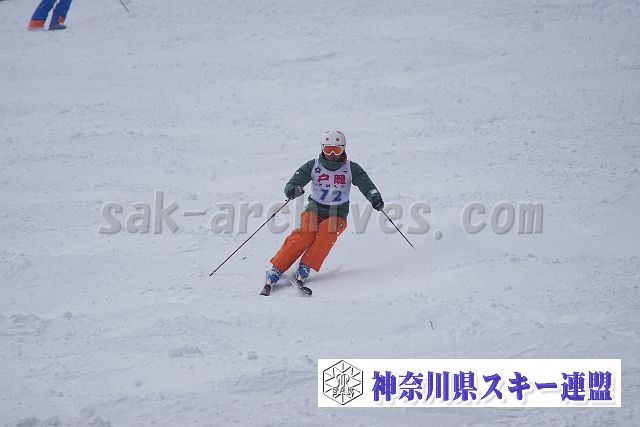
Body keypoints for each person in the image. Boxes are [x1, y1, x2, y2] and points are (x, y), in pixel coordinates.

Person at [260, 130, 384, 296]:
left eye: (336, 150)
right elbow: (292, 183)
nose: (332, 154)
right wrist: (293, 190)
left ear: (343, 149)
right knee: (306, 234)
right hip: (315, 208)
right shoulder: (313, 166)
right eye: (328, 149)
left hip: (338, 213)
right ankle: (277, 268)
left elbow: (367, 186)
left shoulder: (350, 168)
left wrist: (374, 197)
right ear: (322, 148)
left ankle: (305, 266)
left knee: (328, 232)